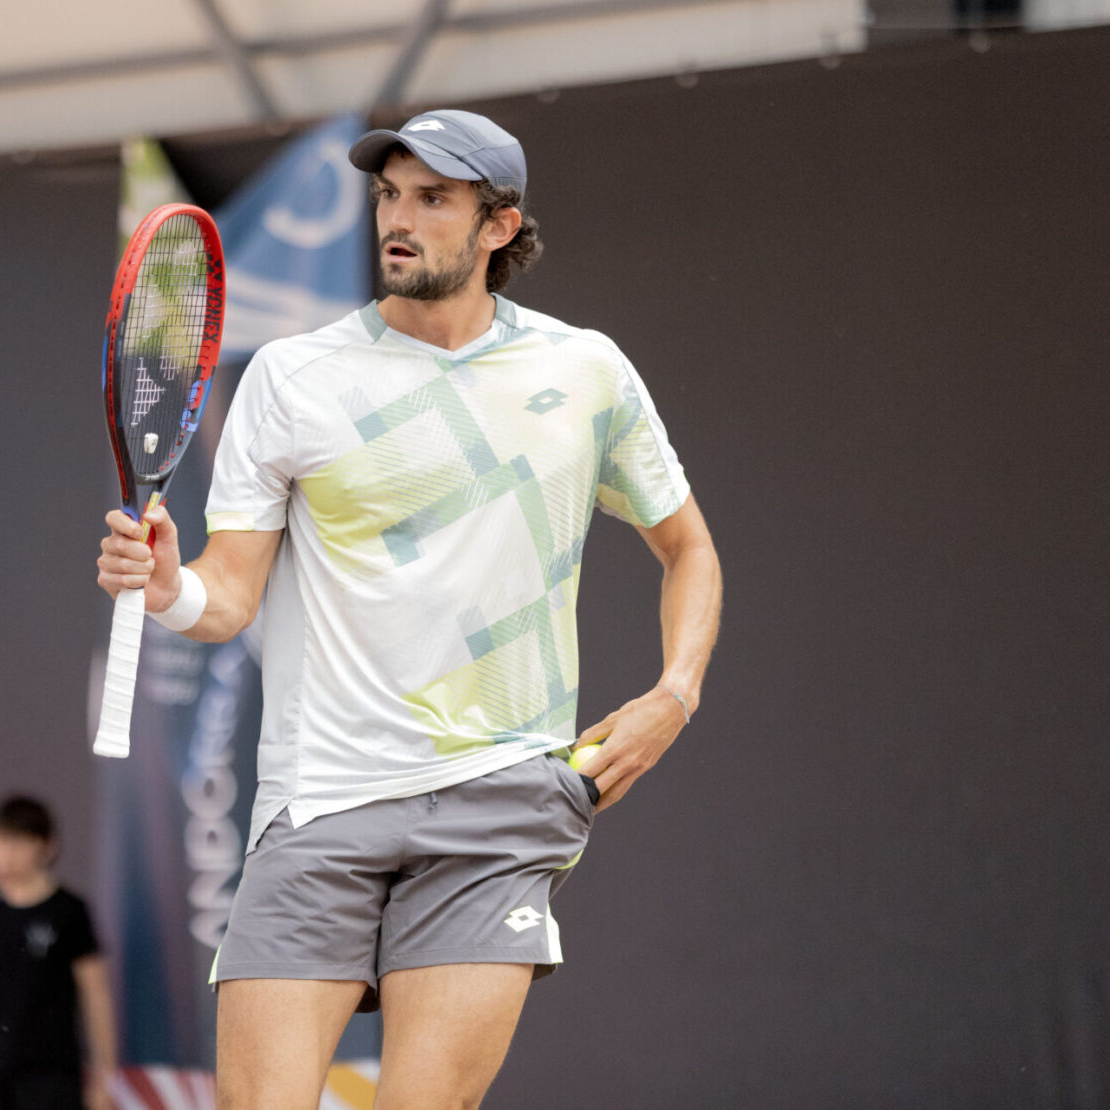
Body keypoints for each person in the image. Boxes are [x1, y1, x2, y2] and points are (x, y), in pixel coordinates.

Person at [96, 108, 722, 1110]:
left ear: (499, 226)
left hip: (497, 806)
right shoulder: (294, 379)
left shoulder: (587, 371)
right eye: (390, 194)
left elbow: (687, 548)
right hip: (317, 806)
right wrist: (171, 589)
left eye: (435, 198)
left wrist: (674, 695)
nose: (400, 217)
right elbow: (230, 598)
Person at [0, 796, 117, 1110]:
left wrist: (105, 1079)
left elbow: (96, 995)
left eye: (15, 844)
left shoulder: (69, 911)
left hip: (52, 1076)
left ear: (47, 845)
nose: (2, 857)